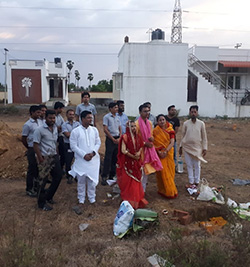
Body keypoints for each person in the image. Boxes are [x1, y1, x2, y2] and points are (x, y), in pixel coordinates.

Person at [69, 110, 101, 206]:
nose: (91, 119)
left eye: (91, 117)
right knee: (81, 181)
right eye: (88, 117)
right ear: (82, 119)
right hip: (81, 160)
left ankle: (92, 199)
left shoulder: (94, 130)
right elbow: (73, 146)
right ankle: (81, 200)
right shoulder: (75, 131)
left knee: (92, 181)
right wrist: (84, 155)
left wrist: (93, 153)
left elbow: (98, 142)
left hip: (93, 160)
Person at [33, 110, 63, 211]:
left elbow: (55, 143)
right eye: (50, 118)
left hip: (54, 156)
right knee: (43, 181)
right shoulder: (39, 130)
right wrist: (40, 158)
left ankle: (49, 196)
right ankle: (41, 203)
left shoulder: (55, 128)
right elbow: (35, 145)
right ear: (45, 118)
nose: (52, 120)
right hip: (44, 158)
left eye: (54, 118)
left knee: (58, 177)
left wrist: (57, 154)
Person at [117, 121, 148, 209]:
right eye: (131, 126)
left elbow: (141, 146)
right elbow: (123, 150)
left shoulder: (138, 137)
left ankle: (137, 198)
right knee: (129, 181)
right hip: (128, 162)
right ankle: (129, 199)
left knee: (137, 181)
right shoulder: (125, 137)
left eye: (134, 126)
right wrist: (132, 156)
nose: (133, 128)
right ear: (127, 127)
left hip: (136, 162)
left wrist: (138, 153)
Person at [179, 105, 208, 188]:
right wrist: (181, 147)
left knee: (197, 165)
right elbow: (182, 136)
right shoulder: (186, 123)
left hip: (197, 148)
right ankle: (191, 182)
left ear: (197, 113)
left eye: (195, 112)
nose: (193, 114)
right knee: (189, 165)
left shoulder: (201, 124)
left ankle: (197, 181)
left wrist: (205, 148)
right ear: (189, 113)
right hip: (187, 147)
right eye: (192, 112)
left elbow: (204, 137)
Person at [135, 104, 162, 191]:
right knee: (140, 172)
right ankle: (138, 191)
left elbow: (151, 135)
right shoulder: (136, 124)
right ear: (140, 112)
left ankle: (143, 191)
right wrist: (145, 143)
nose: (147, 113)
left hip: (149, 150)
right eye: (145, 111)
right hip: (140, 151)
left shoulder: (150, 123)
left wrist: (152, 139)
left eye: (148, 111)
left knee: (146, 171)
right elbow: (135, 139)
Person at [153, 114, 178, 198]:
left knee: (169, 172)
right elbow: (154, 143)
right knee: (161, 172)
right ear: (157, 121)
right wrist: (159, 151)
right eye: (160, 120)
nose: (162, 121)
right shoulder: (155, 131)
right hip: (159, 154)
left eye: (163, 119)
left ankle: (170, 191)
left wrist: (166, 151)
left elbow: (172, 142)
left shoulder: (170, 129)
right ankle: (162, 190)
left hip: (168, 153)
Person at [22, 105, 43, 197]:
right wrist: (29, 148)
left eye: (40, 112)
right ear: (32, 113)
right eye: (37, 112)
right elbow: (24, 138)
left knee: (38, 169)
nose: (39, 114)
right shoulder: (27, 125)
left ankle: (37, 187)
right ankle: (29, 189)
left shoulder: (41, 122)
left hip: (40, 148)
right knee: (32, 169)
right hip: (32, 148)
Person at [101, 102, 122, 185]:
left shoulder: (117, 117)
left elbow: (120, 127)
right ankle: (104, 176)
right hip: (110, 139)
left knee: (115, 158)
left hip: (117, 139)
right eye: (115, 107)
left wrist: (120, 137)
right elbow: (105, 129)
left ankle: (112, 175)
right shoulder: (106, 117)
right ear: (110, 109)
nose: (117, 109)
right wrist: (112, 138)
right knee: (108, 158)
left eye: (117, 107)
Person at [62, 109, 80, 184]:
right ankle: (69, 176)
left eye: (73, 114)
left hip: (77, 145)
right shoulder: (64, 125)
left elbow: (80, 135)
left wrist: (72, 134)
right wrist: (75, 135)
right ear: (66, 115)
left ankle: (76, 175)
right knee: (68, 161)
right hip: (68, 145)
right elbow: (67, 135)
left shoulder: (78, 124)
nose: (72, 116)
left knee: (77, 161)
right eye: (70, 114)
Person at [54, 101, 65, 169]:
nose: (62, 110)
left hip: (60, 136)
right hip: (53, 137)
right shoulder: (51, 116)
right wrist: (56, 128)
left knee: (62, 153)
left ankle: (60, 168)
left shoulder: (60, 117)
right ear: (58, 108)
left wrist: (60, 128)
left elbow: (63, 125)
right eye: (61, 108)